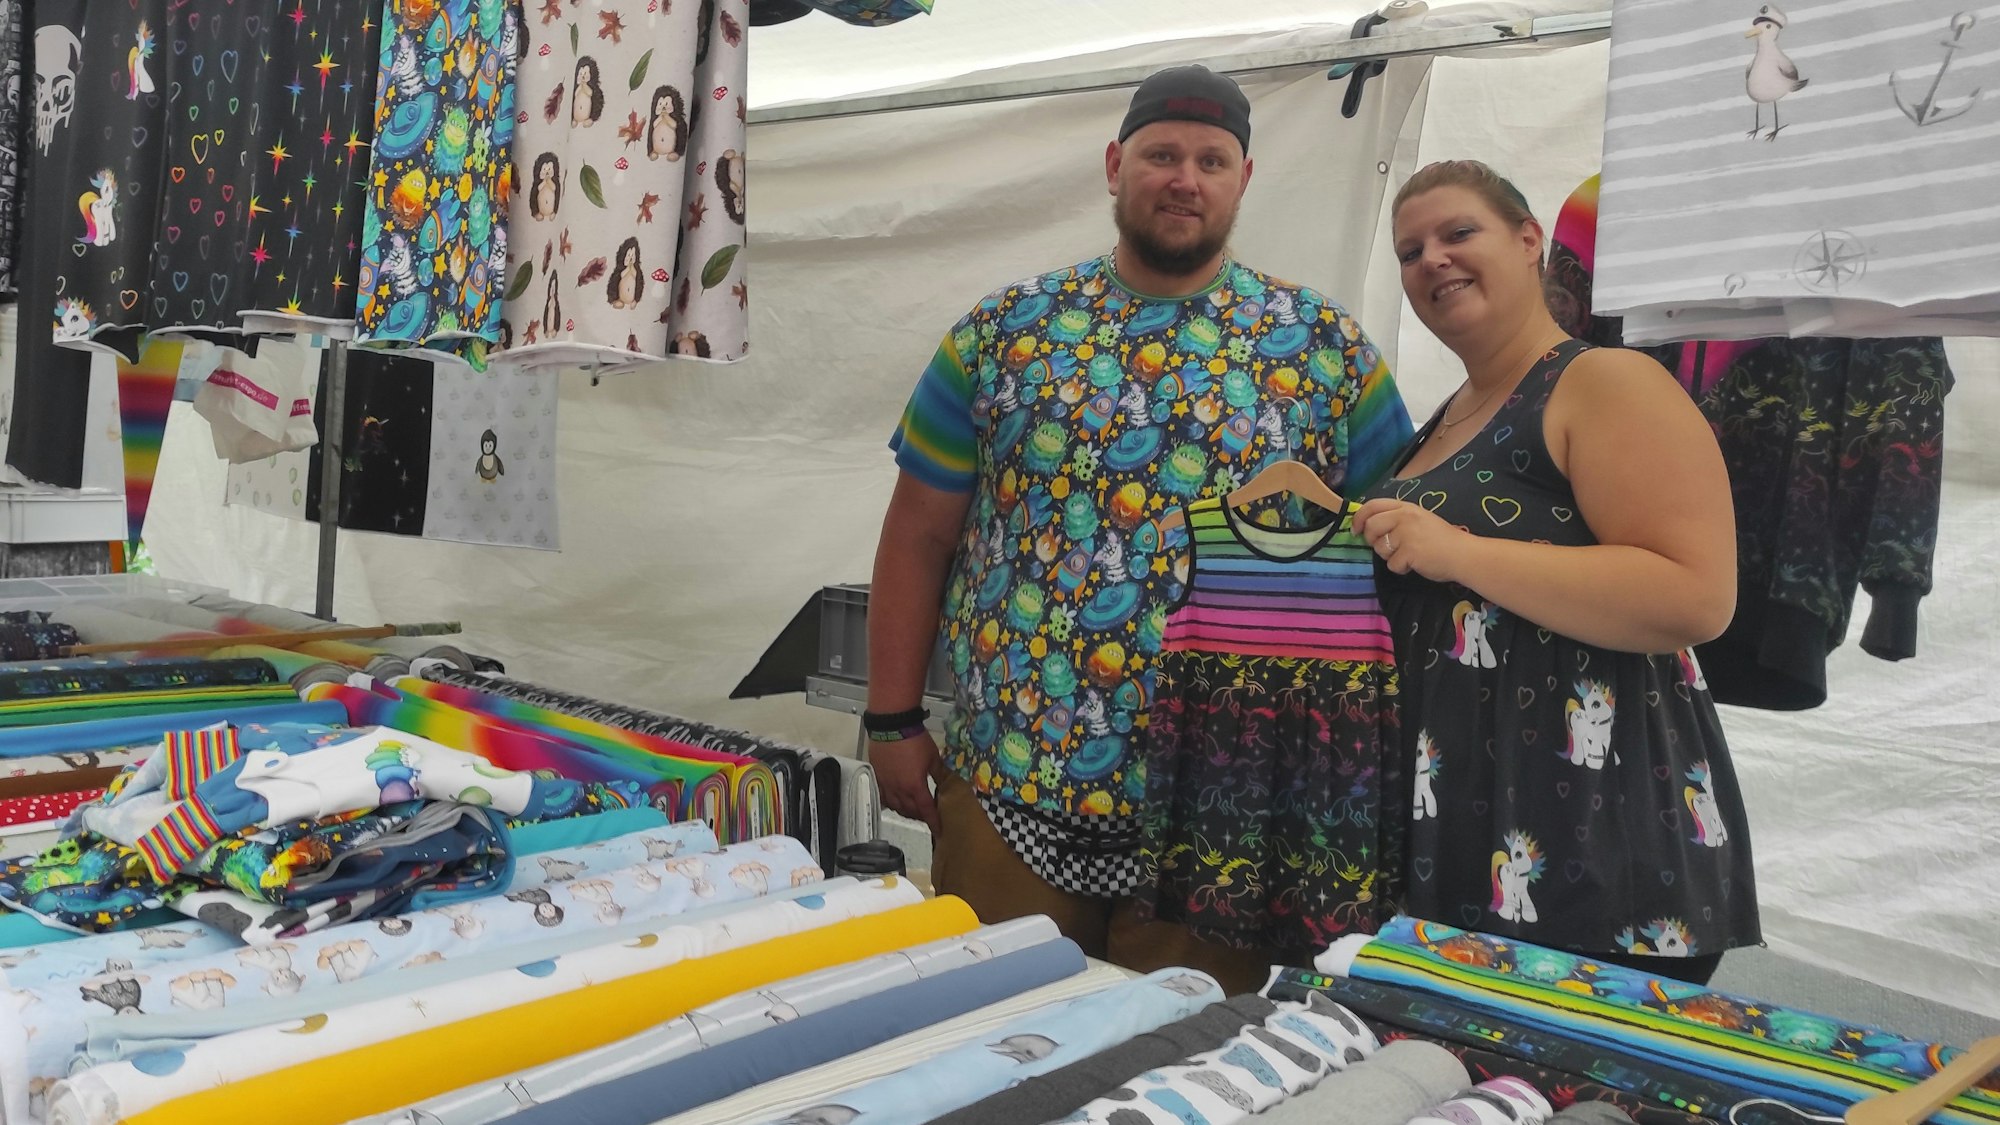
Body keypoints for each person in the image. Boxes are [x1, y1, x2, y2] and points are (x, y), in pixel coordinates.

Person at [864, 64, 1412, 994]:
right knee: (995, 1042)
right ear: (1116, 164)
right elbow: (919, 535)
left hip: (1226, 807)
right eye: (1161, 154)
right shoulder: (1005, 334)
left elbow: (1391, 566)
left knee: (1186, 1060)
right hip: (1014, 776)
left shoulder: (1326, 350)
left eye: (1211, 159)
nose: (1184, 178)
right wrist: (891, 718)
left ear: (1245, 177)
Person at [1355, 160, 1761, 983]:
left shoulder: (1603, 381)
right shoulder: (1449, 414)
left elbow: (1695, 594)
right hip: (1461, 839)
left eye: (1458, 232)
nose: (1431, 258)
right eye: (1408, 250)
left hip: (1587, 841)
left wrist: (1459, 552)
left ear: (1530, 239)